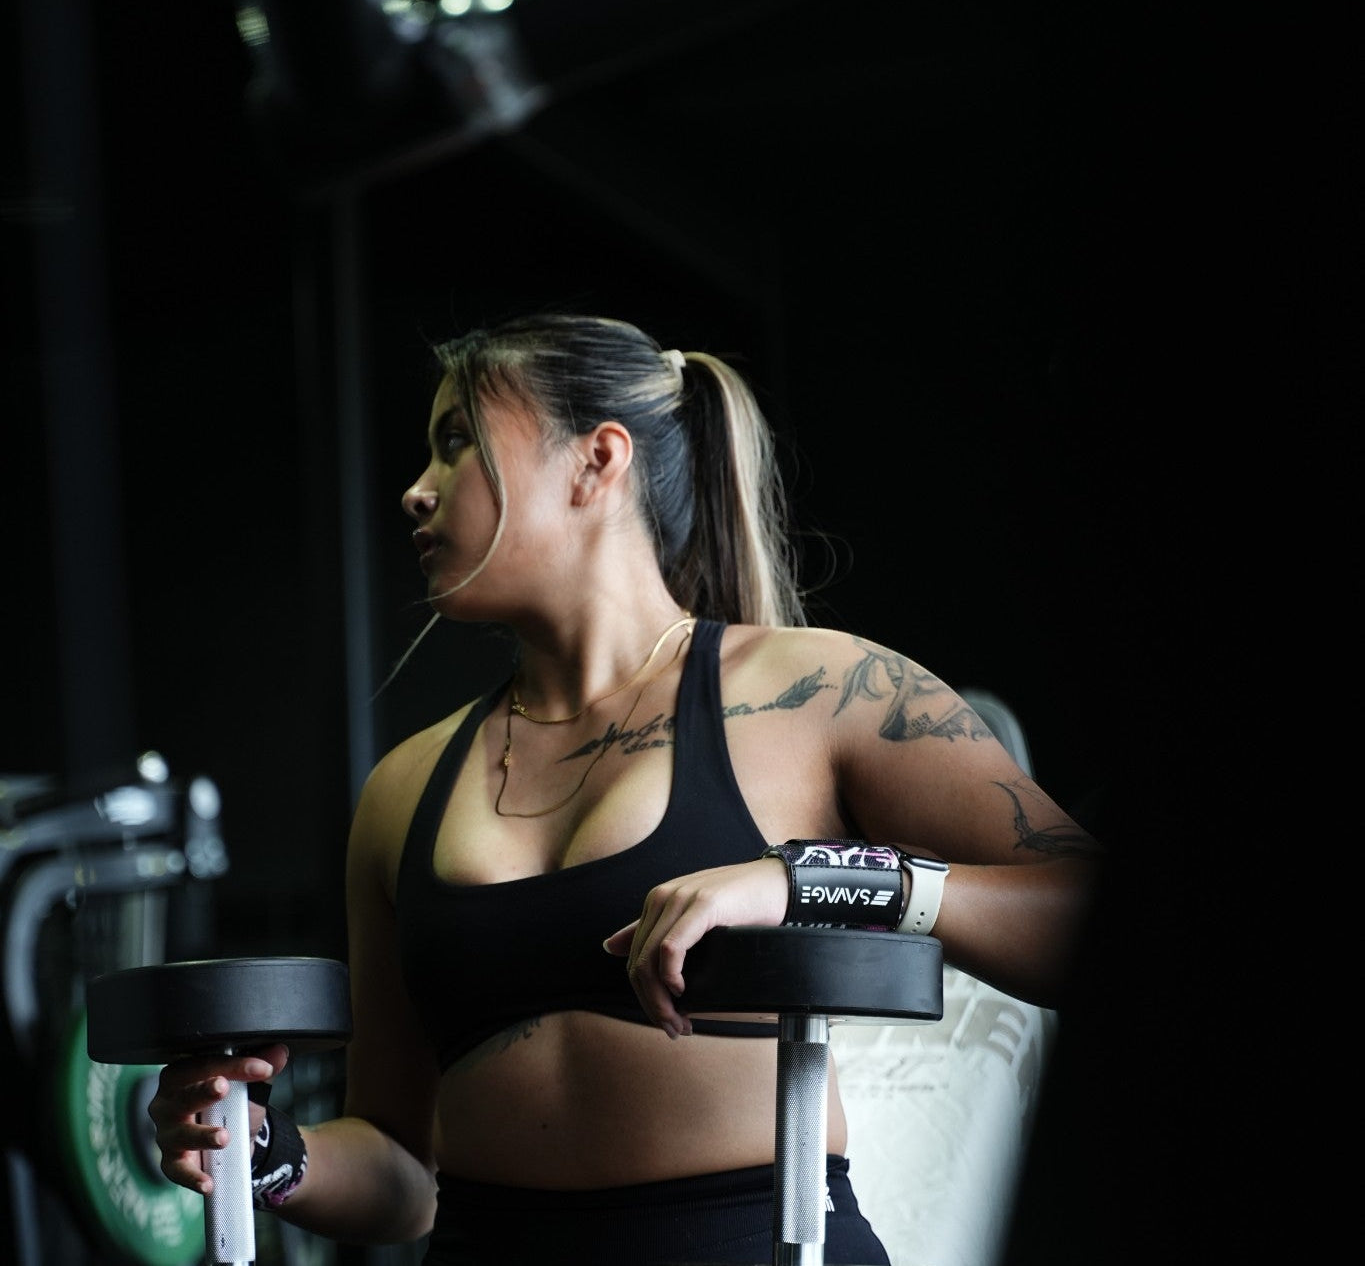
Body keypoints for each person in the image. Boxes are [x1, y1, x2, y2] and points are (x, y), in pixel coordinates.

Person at [149, 313, 1104, 1265]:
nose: (416, 488)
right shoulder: (402, 789)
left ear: (597, 461)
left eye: (457, 442)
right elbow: (403, 1165)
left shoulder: (823, 690)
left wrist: (811, 878)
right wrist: (261, 1153)